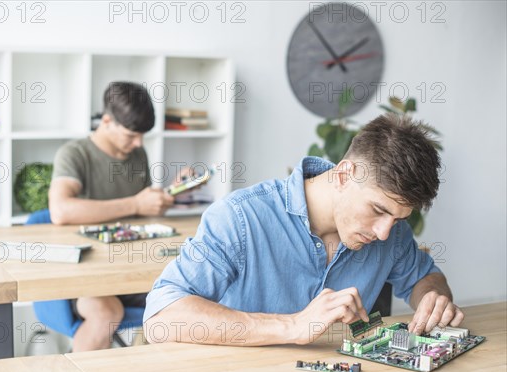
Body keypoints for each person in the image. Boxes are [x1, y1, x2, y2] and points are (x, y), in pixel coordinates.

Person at [143, 114, 464, 346]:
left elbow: (426, 277)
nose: (383, 233)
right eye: (378, 210)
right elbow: (161, 315)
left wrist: (433, 298)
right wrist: (292, 326)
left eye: (398, 219)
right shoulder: (239, 217)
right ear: (343, 176)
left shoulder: (391, 233)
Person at [48, 81, 174, 351]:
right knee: (106, 312)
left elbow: (141, 217)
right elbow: (60, 211)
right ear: (106, 121)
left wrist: (164, 199)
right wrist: (136, 204)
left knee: (182, 296)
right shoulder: (75, 153)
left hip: (133, 269)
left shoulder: (137, 154)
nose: (138, 143)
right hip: (85, 278)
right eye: (131, 135)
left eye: (142, 136)